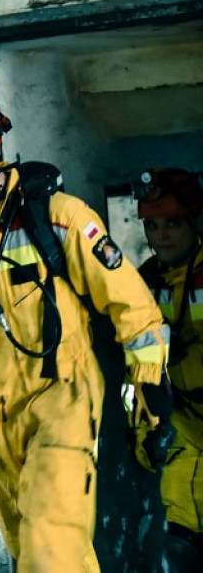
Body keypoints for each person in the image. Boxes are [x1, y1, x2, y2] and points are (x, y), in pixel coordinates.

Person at [0, 104, 171, 572]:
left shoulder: (58, 217)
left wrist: (150, 390)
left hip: (63, 398)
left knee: (49, 549)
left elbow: (132, 307)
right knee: (33, 544)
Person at [135, 168, 203, 568]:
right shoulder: (142, 282)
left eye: (173, 223)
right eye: (152, 225)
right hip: (176, 425)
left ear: (195, 221)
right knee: (180, 539)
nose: (161, 235)